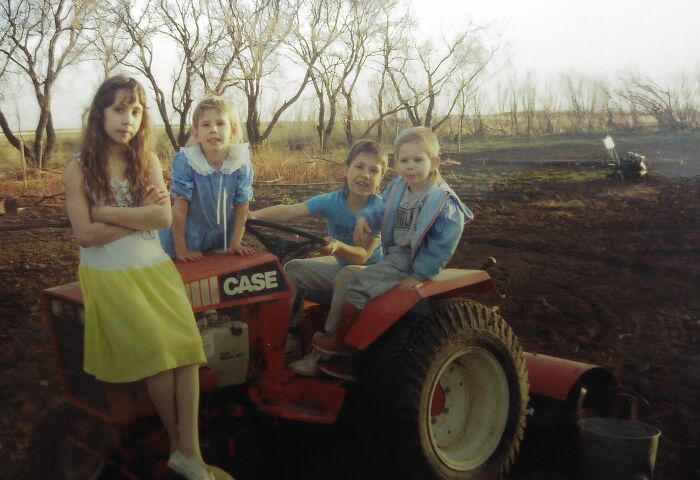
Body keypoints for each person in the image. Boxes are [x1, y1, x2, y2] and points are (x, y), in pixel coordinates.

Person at [64, 75, 215, 480]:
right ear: (100, 113)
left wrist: (108, 213)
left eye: (135, 111)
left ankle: (190, 452)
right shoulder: (77, 168)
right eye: (118, 109)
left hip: (155, 269)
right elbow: (85, 235)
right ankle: (174, 439)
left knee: (187, 353)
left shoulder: (145, 160)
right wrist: (139, 216)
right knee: (161, 359)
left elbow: (163, 217)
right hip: (111, 275)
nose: (127, 119)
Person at [313, 126, 474, 381]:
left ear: (434, 162)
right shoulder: (398, 188)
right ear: (396, 163)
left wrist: (420, 273)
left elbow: (443, 244)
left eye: (417, 160)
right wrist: (364, 219)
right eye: (404, 160)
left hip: (411, 260)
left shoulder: (442, 200)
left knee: (356, 285)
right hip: (394, 254)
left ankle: (344, 347)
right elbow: (379, 211)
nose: (410, 167)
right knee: (351, 279)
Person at [249, 139, 388, 375]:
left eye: (373, 170)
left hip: (373, 277)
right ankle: (289, 340)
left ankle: (324, 354)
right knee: (293, 268)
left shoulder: (378, 210)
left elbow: (362, 257)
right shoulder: (332, 201)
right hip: (345, 270)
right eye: (360, 166)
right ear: (346, 170)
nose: (365, 175)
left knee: (346, 274)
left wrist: (339, 247)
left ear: (380, 178)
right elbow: (292, 211)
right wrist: (253, 216)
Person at [159, 96, 255, 260]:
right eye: (206, 124)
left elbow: (242, 206)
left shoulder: (240, 163)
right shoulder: (187, 162)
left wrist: (235, 241)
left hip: (222, 236)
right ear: (196, 133)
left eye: (220, 123)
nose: (213, 129)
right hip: (189, 235)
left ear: (232, 130)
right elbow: (180, 209)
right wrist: (181, 249)